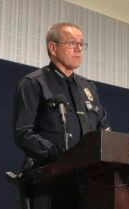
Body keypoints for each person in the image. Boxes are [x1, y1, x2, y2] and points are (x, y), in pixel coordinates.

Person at [13, 22, 110, 209]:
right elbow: (23, 133)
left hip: (87, 184)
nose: (79, 49)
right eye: (72, 43)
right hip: (48, 182)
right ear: (52, 47)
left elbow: (103, 128)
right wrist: (58, 154)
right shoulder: (33, 84)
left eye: (82, 44)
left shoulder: (88, 88)